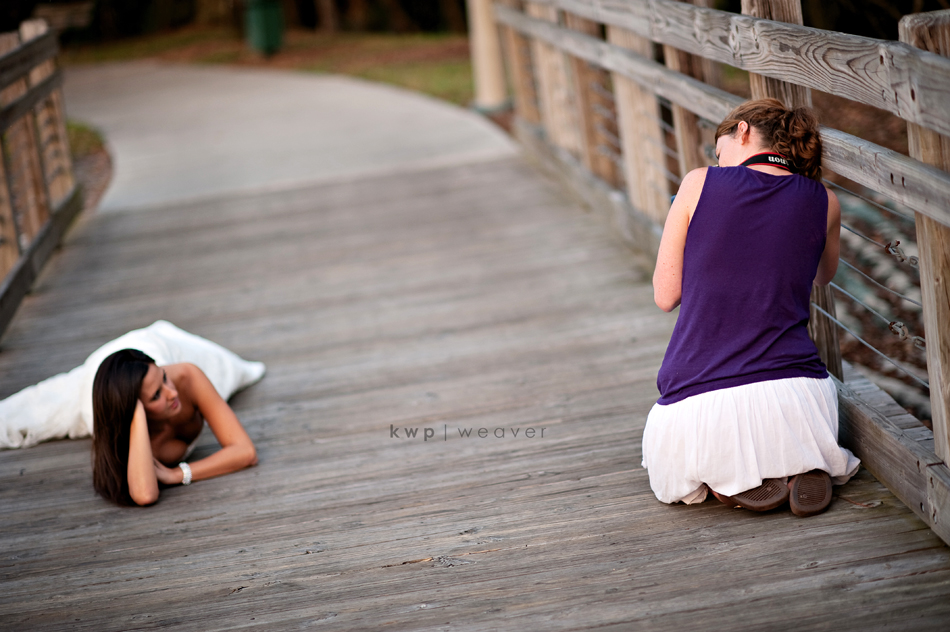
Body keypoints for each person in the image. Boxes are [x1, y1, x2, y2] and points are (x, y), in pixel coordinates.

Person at [643, 97, 860, 517]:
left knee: (677, 465)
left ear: (741, 131)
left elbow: (665, 296)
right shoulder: (825, 200)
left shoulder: (699, 182)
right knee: (793, 426)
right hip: (801, 398)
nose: (718, 162)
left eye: (719, 151)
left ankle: (730, 481)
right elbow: (823, 275)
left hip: (701, 403)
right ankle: (800, 465)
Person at [92, 348, 258, 506]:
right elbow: (145, 494)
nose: (172, 393)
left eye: (164, 377)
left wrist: (177, 474)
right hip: (111, 387)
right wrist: (137, 413)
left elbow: (246, 452)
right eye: (156, 395)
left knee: (241, 370)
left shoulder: (186, 377)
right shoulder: (132, 435)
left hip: (157, 348)